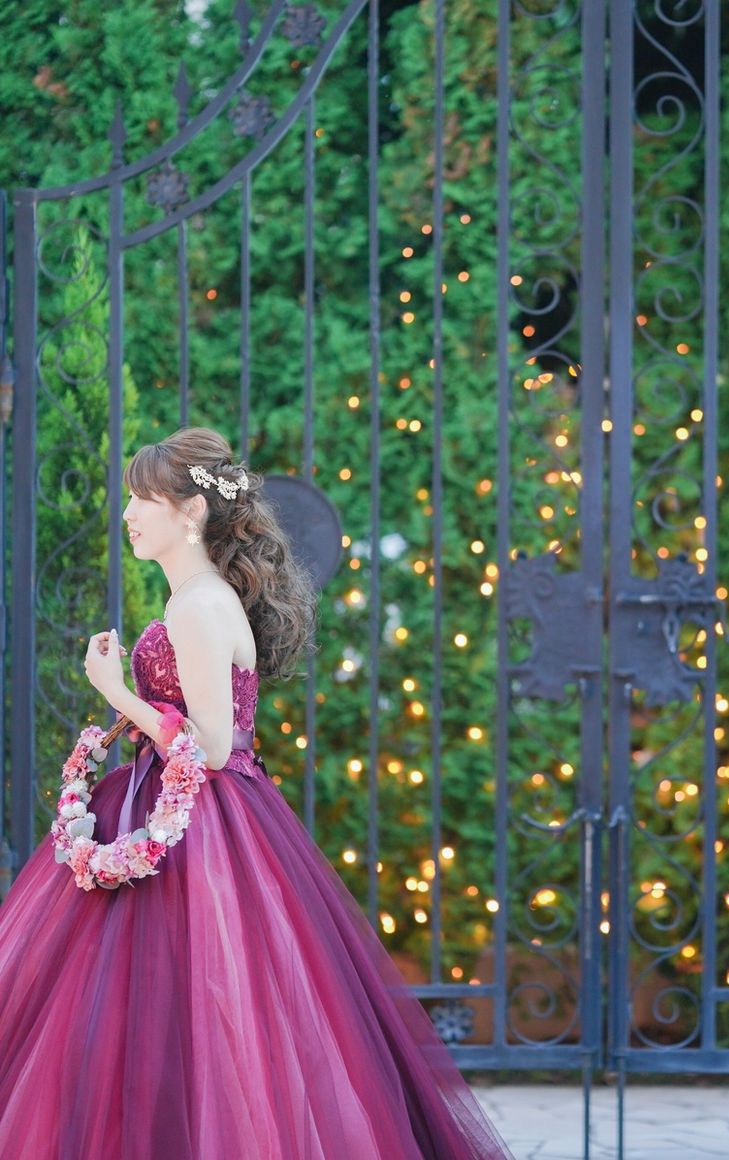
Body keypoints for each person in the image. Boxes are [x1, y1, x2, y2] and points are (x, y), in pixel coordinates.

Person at [0, 428, 513, 1160]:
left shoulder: (199, 605)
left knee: (180, 1006)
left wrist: (114, 690)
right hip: (182, 807)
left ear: (191, 513)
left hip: (197, 826)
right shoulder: (196, 598)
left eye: (144, 499)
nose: (129, 514)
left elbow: (211, 746)